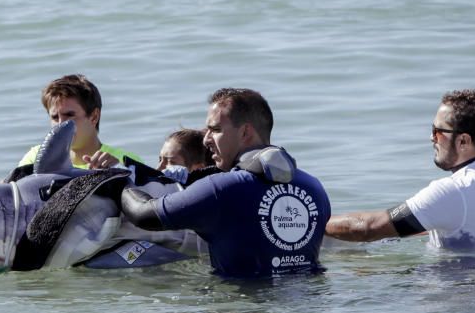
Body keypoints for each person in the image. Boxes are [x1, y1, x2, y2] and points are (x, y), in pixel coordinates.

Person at [121, 88, 331, 277]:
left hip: (241, 311)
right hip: (306, 306)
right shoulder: (314, 188)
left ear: (245, 132)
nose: (206, 139)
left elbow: (144, 215)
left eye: (216, 130)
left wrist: (120, 182)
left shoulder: (222, 189)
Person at [325, 89, 475, 251]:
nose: (431, 138)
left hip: (459, 292)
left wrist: (313, 221)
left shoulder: (451, 191)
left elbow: (367, 228)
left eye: (438, 132)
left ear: (463, 141)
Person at [18, 74, 142, 169]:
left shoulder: (125, 162)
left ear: (94, 116)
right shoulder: (35, 159)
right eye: (55, 117)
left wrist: (117, 172)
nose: (60, 124)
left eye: (69, 115)